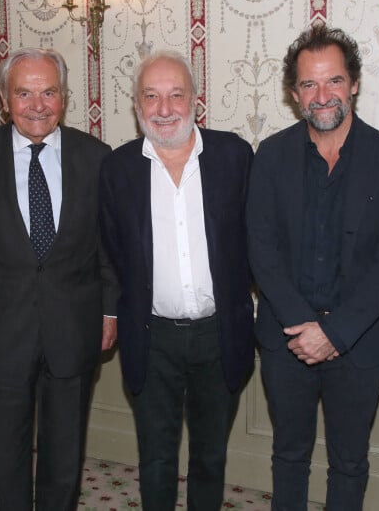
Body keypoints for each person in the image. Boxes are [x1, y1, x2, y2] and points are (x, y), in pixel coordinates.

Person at [246, 25, 379, 511]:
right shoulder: (272, 155)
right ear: (294, 92)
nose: (322, 96)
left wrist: (333, 333)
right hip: (285, 340)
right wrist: (304, 325)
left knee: (349, 461)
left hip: (359, 345)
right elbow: (261, 248)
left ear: (354, 84)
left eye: (334, 81)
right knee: (289, 455)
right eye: (308, 85)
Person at [0, 47, 119, 511]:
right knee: (3, 459)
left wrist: (108, 311)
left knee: (64, 457)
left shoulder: (97, 157)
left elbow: (108, 250)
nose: (37, 104)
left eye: (48, 92)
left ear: (64, 98)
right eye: (24, 93)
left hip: (74, 329)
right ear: (5, 100)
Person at [99, 50, 255, 511]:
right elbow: (110, 251)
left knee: (210, 456)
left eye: (175, 95)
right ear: (136, 105)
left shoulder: (233, 156)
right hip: (152, 337)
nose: (164, 109)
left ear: (194, 100)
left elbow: (257, 240)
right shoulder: (118, 168)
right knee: (156, 459)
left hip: (219, 334)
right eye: (151, 96)